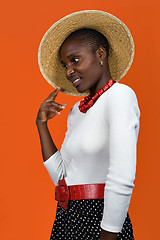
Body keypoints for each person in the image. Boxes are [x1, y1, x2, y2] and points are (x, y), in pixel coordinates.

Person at [36, 10, 140, 240]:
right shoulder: (77, 111)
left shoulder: (120, 96)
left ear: (100, 54)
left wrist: (109, 234)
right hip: (67, 218)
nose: (69, 70)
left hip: (101, 220)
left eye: (75, 59)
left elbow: (122, 174)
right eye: (65, 65)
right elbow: (63, 177)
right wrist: (41, 125)